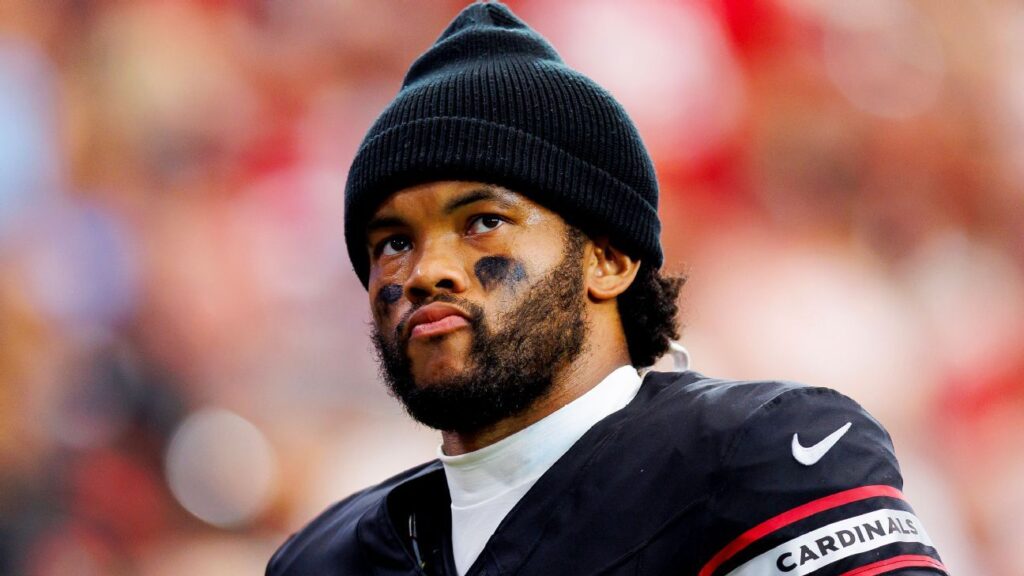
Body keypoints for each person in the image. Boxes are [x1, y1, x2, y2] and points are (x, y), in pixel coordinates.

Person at [267, 2, 948, 575]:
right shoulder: (324, 556)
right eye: (392, 242)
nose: (423, 271)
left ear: (610, 258)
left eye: (481, 223)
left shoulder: (769, 456)